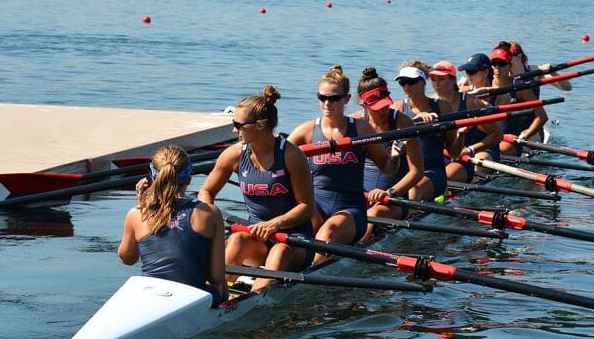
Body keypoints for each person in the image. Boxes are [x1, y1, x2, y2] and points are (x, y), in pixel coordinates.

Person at [199, 86, 315, 292]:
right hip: (258, 238)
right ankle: (215, 294)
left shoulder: (291, 156)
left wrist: (275, 224)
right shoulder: (233, 155)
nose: (235, 130)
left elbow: (306, 207)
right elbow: (206, 191)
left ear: (261, 125)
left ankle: (254, 300)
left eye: (239, 125)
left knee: (279, 252)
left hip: (294, 242)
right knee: (236, 240)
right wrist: (210, 219)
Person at [288, 65, 397, 249]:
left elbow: (388, 168)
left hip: (351, 210)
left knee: (328, 231)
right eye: (322, 98)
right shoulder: (306, 131)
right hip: (315, 207)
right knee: (295, 231)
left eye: (334, 99)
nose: (327, 104)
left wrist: (395, 156)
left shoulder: (361, 129)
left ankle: (310, 267)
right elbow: (277, 157)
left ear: (346, 99)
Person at [118, 145, 227, 304]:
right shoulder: (210, 213)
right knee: (221, 285)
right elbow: (216, 276)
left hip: (149, 296)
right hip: (191, 298)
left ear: (152, 179)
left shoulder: (136, 214)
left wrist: (141, 205)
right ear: (189, 180)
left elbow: (127, 259)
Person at [352, 67, 424, 238]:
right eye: (377, 106)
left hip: (393, 199)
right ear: (363, 103)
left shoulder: (402, 122)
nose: (383, 110)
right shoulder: (355, 123)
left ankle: (355, 251)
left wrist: (389, 193)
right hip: (361, 195)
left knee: (372, 215)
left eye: (385, 104)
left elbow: (417, 171)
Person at [429, 56, 503, 183]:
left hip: (466, 158)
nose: (436, 84)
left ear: (453, 80)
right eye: (433, 79)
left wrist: (470, 149)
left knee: (444, 178)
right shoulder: (429, 103)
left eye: (441, 79)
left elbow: (497, 135)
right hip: (442, 157)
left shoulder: (470, 102)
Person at [393, 61, 457, 200]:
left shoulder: (443, 107)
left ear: (423, 82)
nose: (406, 86)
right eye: (402, 82)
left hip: (432, 171)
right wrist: (416, 121)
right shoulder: (398, 108)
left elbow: (454, 153)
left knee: (414, 191)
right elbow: (393, 146)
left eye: (411, 82)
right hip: (405, 172)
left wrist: (461, 134)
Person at [491, 43, 548, 156]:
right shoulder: (484, 84)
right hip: (490, 138)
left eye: (501, 64)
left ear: (509, 66)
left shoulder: (519, 87)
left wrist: (525, 135)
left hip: (510, 140)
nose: (497, 68)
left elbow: (542, 117)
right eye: (494, 64)